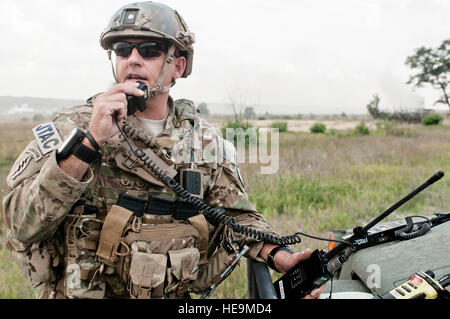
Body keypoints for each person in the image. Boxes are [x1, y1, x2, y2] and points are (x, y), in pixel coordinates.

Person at [3, 1, 324, 299]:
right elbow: (21, 224)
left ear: (178, 65)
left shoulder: (205, 142)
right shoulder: (71, 129)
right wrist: (90, 143)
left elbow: (236, 217)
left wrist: (281, 256)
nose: (133, 59)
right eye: (122, 49)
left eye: (149, 50)